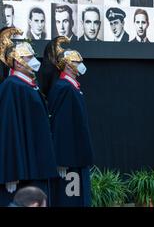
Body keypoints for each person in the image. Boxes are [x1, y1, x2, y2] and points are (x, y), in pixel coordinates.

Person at [0, 27, 57, 206]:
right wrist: (11, 171)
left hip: (36, 162)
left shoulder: (29, 84)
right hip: (23, 169)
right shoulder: (11, 86)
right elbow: (8, 129)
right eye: (29, 58)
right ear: (17, 62)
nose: (34, 61)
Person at [44, 37, 93, 207]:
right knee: (70, 200)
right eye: (76, 61)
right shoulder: (63, 87)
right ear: (66, 64)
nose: (80, 63)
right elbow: (60, 125)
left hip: (76, 156)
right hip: (69, 159)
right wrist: (61, 159)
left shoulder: (72, 86)